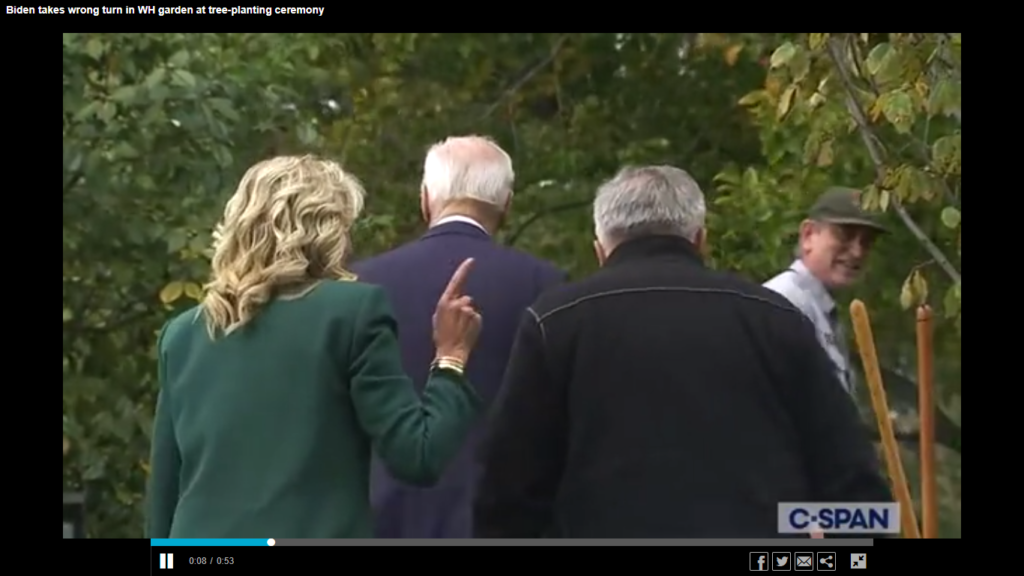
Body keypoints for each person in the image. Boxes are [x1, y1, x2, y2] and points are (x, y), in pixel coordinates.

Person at [474, 165, 892, 538]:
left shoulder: (556, 322)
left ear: (600, 250)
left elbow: (508, 495)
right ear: (701, 241)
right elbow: (855, 488)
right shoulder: (776, 319)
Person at [145, 155, 483, 539]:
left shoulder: (181, 334)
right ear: (328, 230)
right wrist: (451, 357)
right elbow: (416, 456)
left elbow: (163, 499)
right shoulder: (352, 312)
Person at [350, 135, 565, 538]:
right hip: (499, 520)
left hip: (384, 516)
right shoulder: (546, 285)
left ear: (425, 199)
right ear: (507, 205)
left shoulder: (360, 283)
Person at [763, 187, 886, 393]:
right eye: (845, 235)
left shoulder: (820, 308)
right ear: (808, 235)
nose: (857, 252)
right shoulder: (783, 303)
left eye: (867, 242)